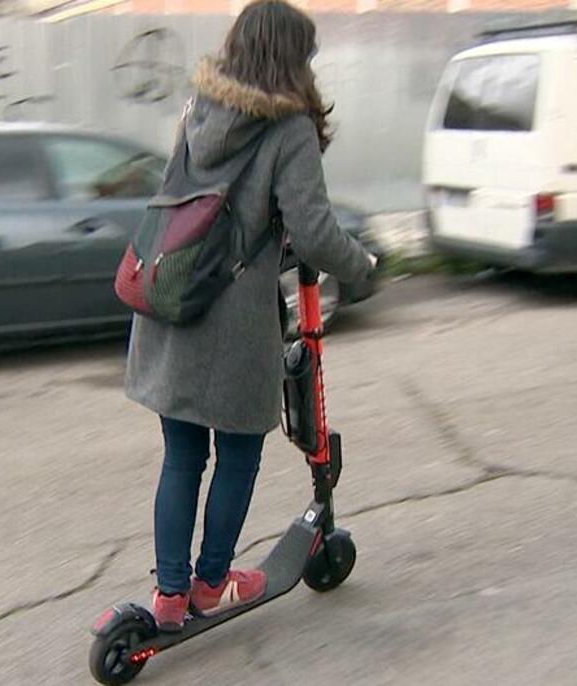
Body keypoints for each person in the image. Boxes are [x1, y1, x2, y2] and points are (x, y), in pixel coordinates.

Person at [124, 0, 375, 631]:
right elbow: (315, 232)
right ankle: (212, 584)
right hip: (231, 323)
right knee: (238, 453)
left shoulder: (198, 109)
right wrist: (363, 265)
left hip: (173, 302)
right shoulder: (286, 129)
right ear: (292, 59)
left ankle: (172, 596)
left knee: (182, 457)